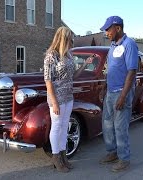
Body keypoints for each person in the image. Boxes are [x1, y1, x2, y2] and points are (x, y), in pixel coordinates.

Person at [43, 26, 91, 173]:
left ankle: (63, 156)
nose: (72, 41)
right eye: (70, 39)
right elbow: (48, 80)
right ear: (63, 38)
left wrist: (85, 64)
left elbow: (73, 76)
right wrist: (55, 102)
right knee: (56, 127)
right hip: (56, 98)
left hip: (69, 97)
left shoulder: (68, 55)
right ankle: (56, 157)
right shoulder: (51, 55)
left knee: (65, 126)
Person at [99, 16, 139, 172]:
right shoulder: (113, 46)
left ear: (118, 28)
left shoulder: (130, 44)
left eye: (108, 29)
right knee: (107, 124)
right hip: (110, 91)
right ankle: (112, 152)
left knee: (120, 127)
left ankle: (124, 158)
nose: (106, 32)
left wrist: (123, 96)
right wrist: (104, 86)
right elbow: (110, 69)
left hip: (122, 92)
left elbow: (131, 71)